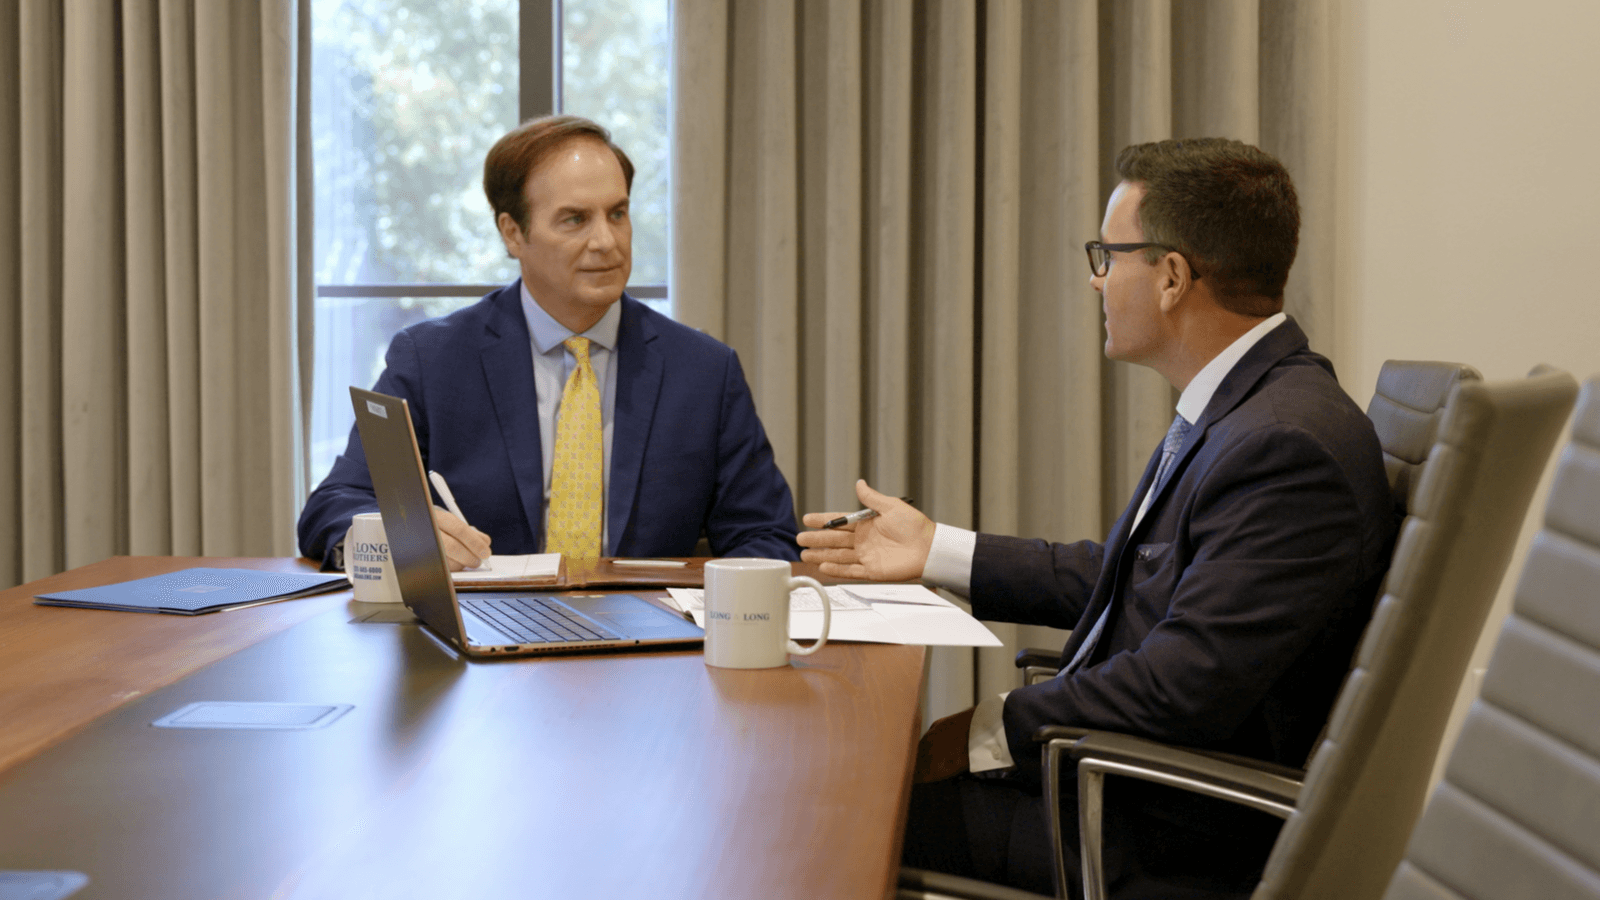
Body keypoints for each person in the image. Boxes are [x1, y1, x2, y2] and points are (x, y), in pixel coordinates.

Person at [798, 138, 1399, 898]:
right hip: (1117, 792)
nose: (1096, 279)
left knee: (826, 823)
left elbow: (1177, 690)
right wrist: (936, 550)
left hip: (1151, 834)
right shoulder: (1254, 405)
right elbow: (1132, 579)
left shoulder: (1281, 444)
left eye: (1109, 256)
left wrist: (990, 729)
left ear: (1173, 276)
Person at [299, 115, 800, 569]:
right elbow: (338, 503)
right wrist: (393, 537)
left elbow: (766, 535)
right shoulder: (431, 360)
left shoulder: (704, 371)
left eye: (618, 214)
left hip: (648, 643)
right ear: (513, 234)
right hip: (481, 642)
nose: (606, 241)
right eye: (575, 219)